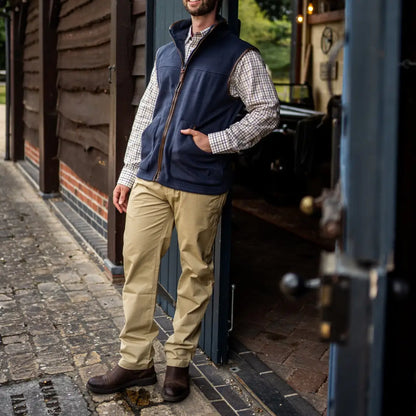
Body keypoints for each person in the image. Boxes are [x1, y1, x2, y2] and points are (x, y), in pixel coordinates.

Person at [87, 0, 279, 403]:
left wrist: (218, 142)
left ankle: (178, 362)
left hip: (201, 182)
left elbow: (267, 111)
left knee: (195, 272)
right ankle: (136, 361)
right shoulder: (166, 50)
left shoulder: (239, 55)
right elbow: (147, 115)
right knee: (137, 264)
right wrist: (127, 172)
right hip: (151, 179)